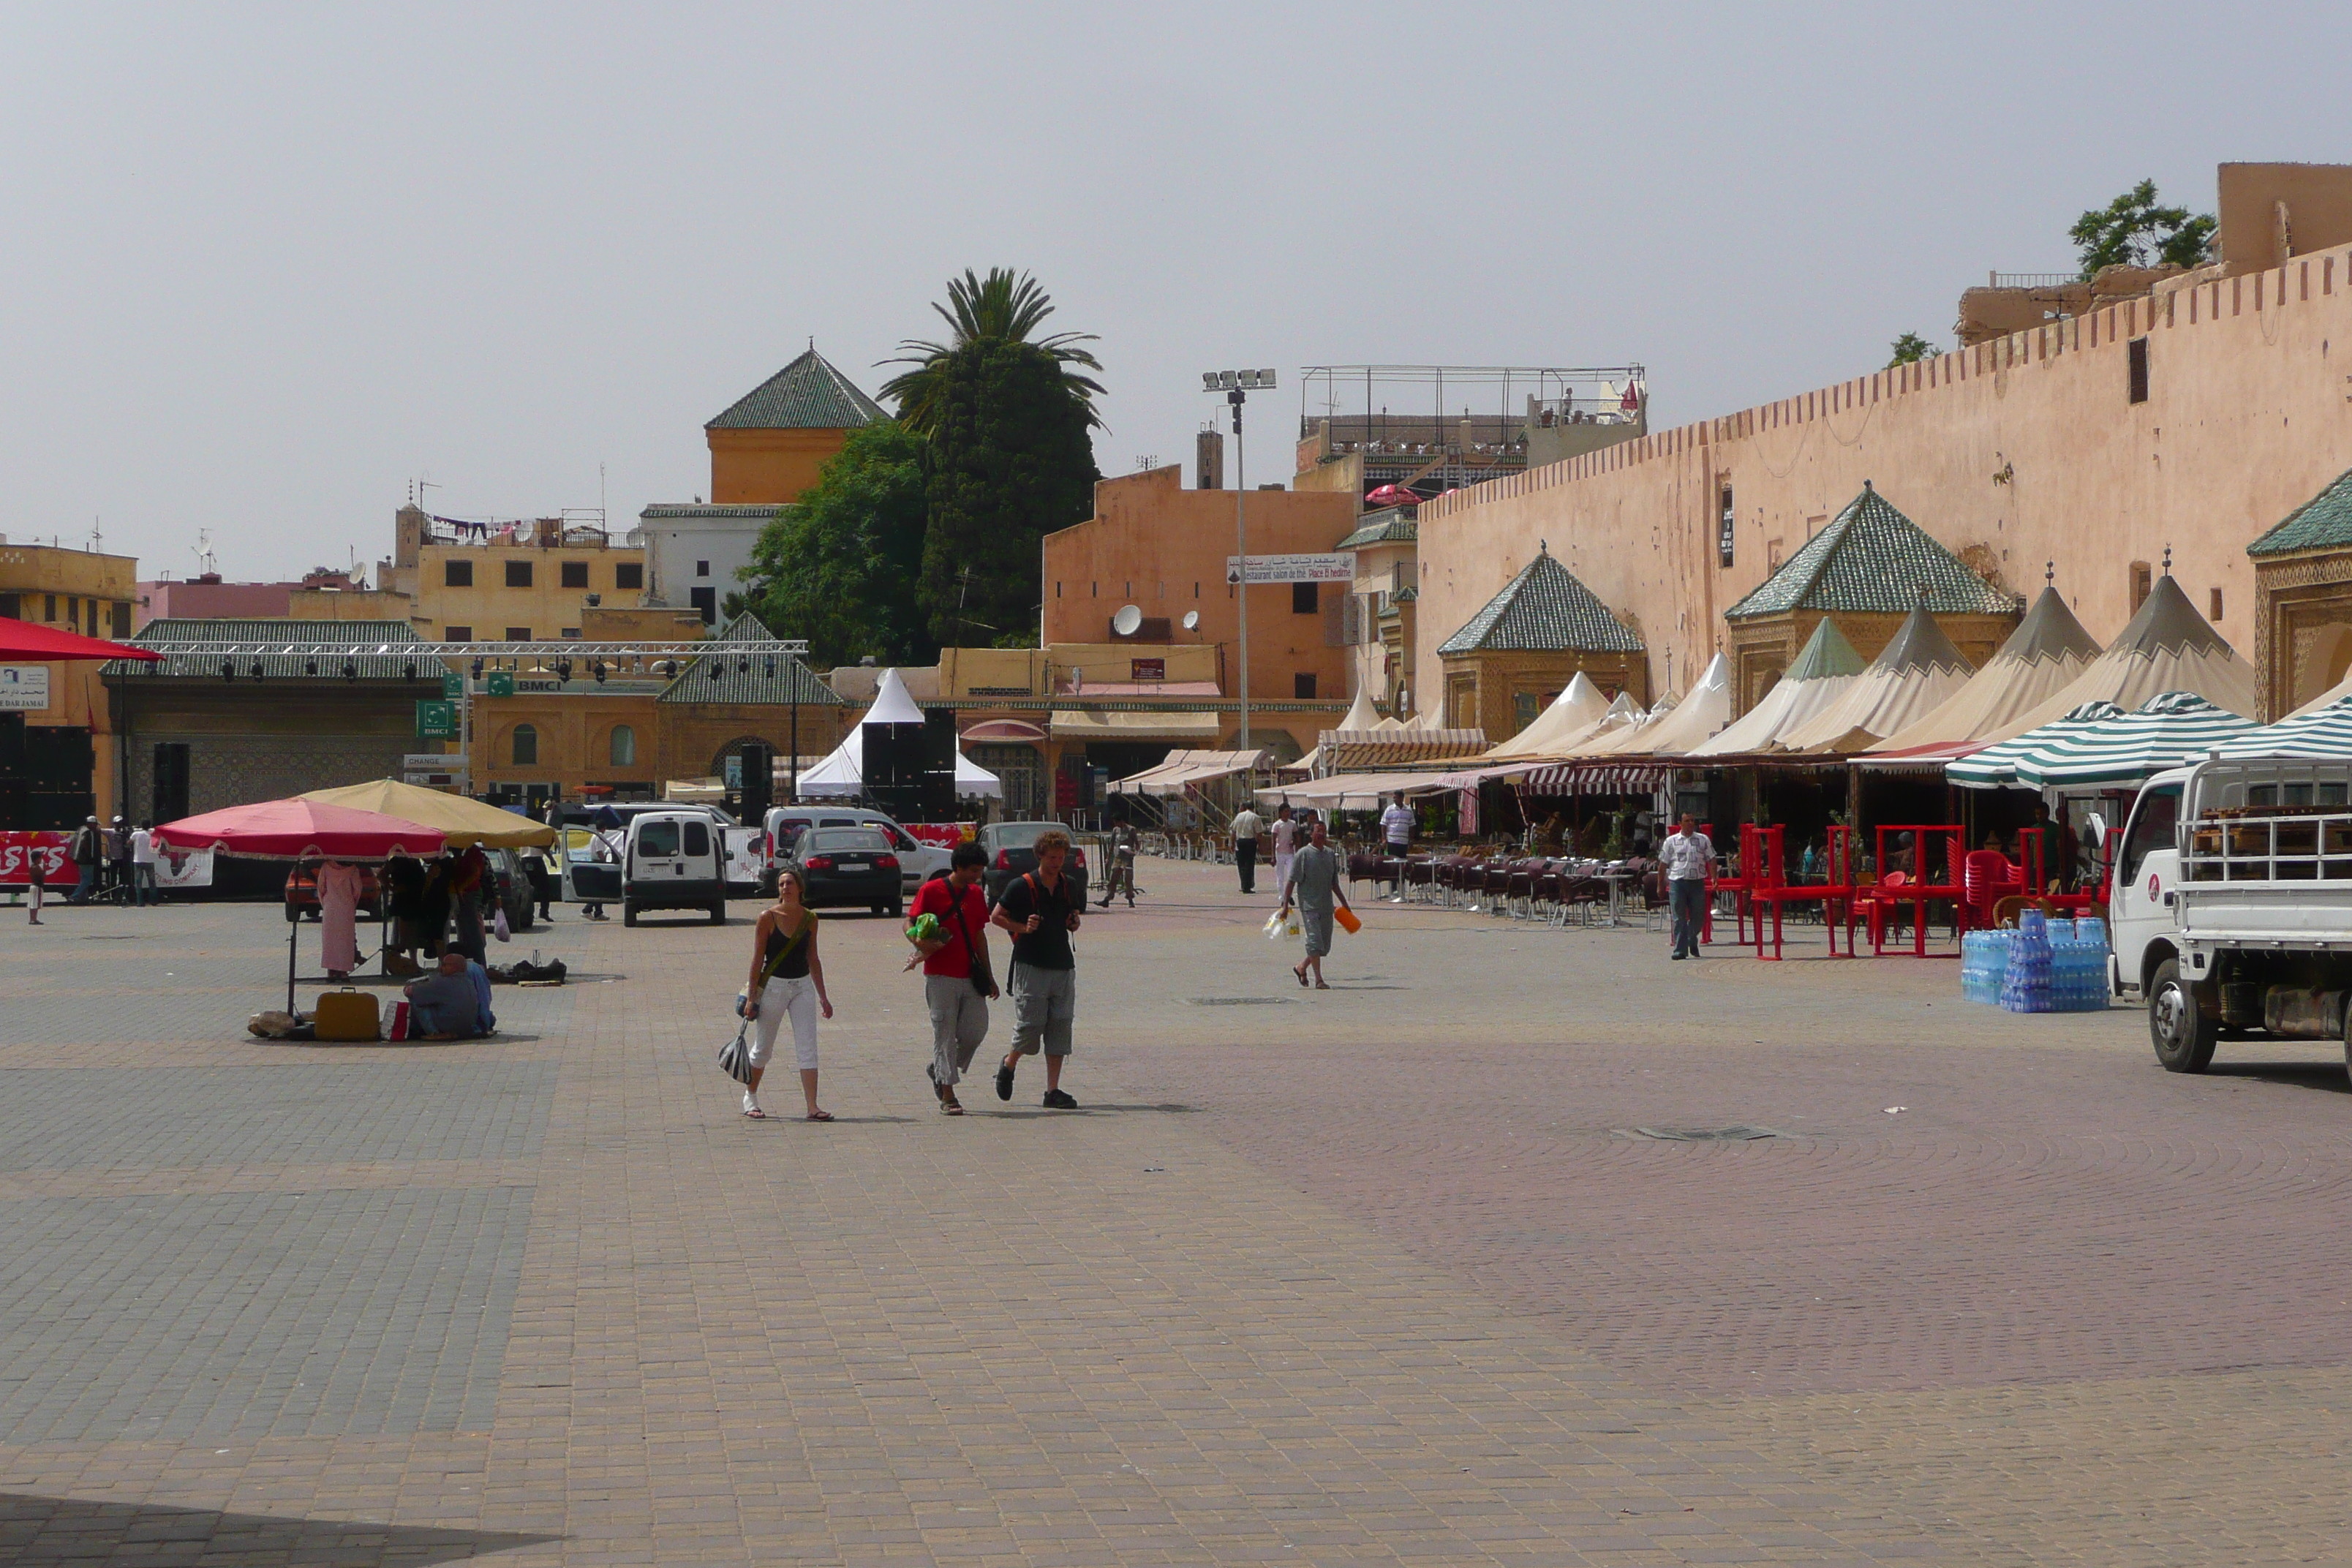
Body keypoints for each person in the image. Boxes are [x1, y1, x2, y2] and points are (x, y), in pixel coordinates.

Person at [991, 827, 1082, 1109]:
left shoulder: (1068, 884)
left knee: (1060, 1026)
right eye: (1052, 857)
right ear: (1040, 856)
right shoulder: (1021, 885)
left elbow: (1072, 917)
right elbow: (996, 917)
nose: (1057, 862)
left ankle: (1052, 1091)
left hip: (1063, 964)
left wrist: (1073, 923)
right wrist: (1023, 927)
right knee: (1031, 1026)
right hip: (1031, 964)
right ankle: (1009, 1064)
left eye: (1061, 857)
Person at [905, 843, 996, 1115]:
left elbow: (979, 934)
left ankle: (939, 1069)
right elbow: (909, 922)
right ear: (958, 867)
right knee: (944, 1034)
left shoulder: (976, 893)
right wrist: (918, 940)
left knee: (975, 1031)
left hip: (970, 973)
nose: (977, 876)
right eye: (973, 871)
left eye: (980, 871)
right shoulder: (931, 891)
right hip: (940, 975)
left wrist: (990, 975)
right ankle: (948, 1095)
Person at [740, 866, 833, 1122]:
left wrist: (823, 997)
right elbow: (757, 959)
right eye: (781, 884)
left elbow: (813, 958)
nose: (785, 888)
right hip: (774, 987)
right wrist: (751, 998)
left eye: (790, 883)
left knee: (808, 1046)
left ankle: (812, 1106)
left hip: (802, 986)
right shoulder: (767, 917)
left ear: (800, 887)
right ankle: (751, 1095)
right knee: (764, 1047)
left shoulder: (810, 919)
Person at [1280, 818, 1353, 990]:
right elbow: (1291, 881)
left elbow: (1334, 883)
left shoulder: (1329, 855)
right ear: (1311, 834)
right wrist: (1285, 905)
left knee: (1324, 947)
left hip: (1327, 906)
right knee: (1314, 942)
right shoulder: (1303, 855)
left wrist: (1345, 904)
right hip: (1309, 906)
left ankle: (1301, 967)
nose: (1321, 835)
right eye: (1317, 831)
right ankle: (1319, 979)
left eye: (1323, 832)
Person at [1660, 813, 1714, 960]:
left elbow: (1712, 858)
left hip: (1697, 883)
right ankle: (1680, 950)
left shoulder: (1703, 840)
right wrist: (1660, 885)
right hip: (1678, 882)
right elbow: (1663, 864)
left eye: (1693, 820)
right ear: (1680, 823)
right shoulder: (1671, 841)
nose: (1691, 823)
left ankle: (1691, 938)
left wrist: (1714, 877)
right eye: (1687, 821)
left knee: (1698, 917)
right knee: (1679, 917)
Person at [403, 951, 482, 1039]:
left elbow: (412, 992)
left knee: (417, 1001)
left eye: (445, 965)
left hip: (449, 1026)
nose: (441, 968)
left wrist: (411, 987)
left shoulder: (443, 982)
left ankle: (434, 1033)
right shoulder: (468, 981)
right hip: (466, 1029)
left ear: (455, 967)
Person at [316, 859, 364, 982]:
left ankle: (331, 971)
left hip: (330, 907)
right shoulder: (353, 869)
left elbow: (321, 887)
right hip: (346, 907)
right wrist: (352, 904)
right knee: (345, 939)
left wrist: (325, 903)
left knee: (330, 940)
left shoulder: (326, 867)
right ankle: (344, 971)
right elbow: (357, 889)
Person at [1379, 792, 1414, 901]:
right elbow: (1384, 825)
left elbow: (1412, 825)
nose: (1394, 799)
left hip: (1403, 842)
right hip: (1392, 841)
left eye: (1396, 797)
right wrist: (1384, 839)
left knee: (1403, 866)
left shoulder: (1409, 810)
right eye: (1393, 797)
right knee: (1393, 866)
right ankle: (1393, 889)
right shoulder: (1389, 810)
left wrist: (1411, 839)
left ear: (1401, 798)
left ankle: (1402, 888)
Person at [1096, 821, 1138, 909]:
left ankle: (1130, 899)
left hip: (1127, 858)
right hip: (1117, 858)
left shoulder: (1131, 830)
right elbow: (1112, 844)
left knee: (1128, 879)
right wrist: (1108, 857)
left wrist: (1134, 852)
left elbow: (1136, 843)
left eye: (1118, 822)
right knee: (1113, 879)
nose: (1117, 824)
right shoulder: (1115, 830)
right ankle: (1107, 899)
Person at [65, 815, 102, 905]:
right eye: (95, 824)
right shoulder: (88, 833)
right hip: (86, 859)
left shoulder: (81, 830)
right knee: (88, 879)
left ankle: (83, 898)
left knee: (83, 879)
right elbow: (85, 843)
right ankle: (74, 896)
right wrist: (90, 856)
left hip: (79, 858)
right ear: (91, 824)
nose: (96, 826)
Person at [1229, 803, 1264, 894]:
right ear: (1253, 808)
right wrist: (1260, 845)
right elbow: (1259, 833)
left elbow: (1233, 831)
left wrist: (1232, 844)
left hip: (1240, 841)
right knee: (1249, 864)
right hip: (1250, 841)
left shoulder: (1239, 816)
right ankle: (1247, 887)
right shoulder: (1255, 817)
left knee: (1241, 864)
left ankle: (1243, 884)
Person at [1270, 804, 1298, 901]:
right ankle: (1282, 897)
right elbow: (1273, 841)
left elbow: (1297, 837)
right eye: (1286, 811)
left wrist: (1294, 843)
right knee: (1280, 876)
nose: (1288, 813)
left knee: (1291, 875)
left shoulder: (1293, 824)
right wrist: (1273, 856)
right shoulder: (1277, 825)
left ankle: (1289, 894)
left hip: (1290, 853)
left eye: (1289, 811)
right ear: (1281, 812)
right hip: (1280, 853)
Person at [128, 821, 157, 907]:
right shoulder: (152, 833)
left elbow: (129, 842)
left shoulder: (136, 834)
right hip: (150, 860)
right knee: (152, 882)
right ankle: (153, 901)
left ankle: (140, 902)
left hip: (138, 860)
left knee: (138, 883)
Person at [105, 817, 132, 898]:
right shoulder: (110, 832)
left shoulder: (126, 833)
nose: (119, 825)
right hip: (114, 858)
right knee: (113, 878)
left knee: (122, 878)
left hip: (123, 858)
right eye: (118, 823)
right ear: (114, 824)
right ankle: (113, 895)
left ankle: (120, 894)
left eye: (121, 823)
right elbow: (98, 830)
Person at [25, 838, 46, 925]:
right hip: (36, 887)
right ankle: (33, 919)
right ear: (37, 859)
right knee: (35, 904)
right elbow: (42, 875)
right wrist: (44, 868)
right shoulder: (36, 868)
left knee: (33, 903)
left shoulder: (33, 867)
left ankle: (33, 918)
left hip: (34, 886)